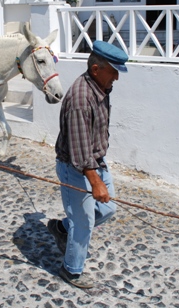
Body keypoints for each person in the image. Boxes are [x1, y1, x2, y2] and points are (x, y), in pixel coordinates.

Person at [47, 40, 128, 289]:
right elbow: (81, 155)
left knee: (108, 209)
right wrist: (95, 183)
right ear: (95, 69)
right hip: (77, 168)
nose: (116, 77)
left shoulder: (101, 88)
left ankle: (62, 228)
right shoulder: (81, 99)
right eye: (113, 70)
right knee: (84, 223)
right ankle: (71, 270)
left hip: (96, 162)